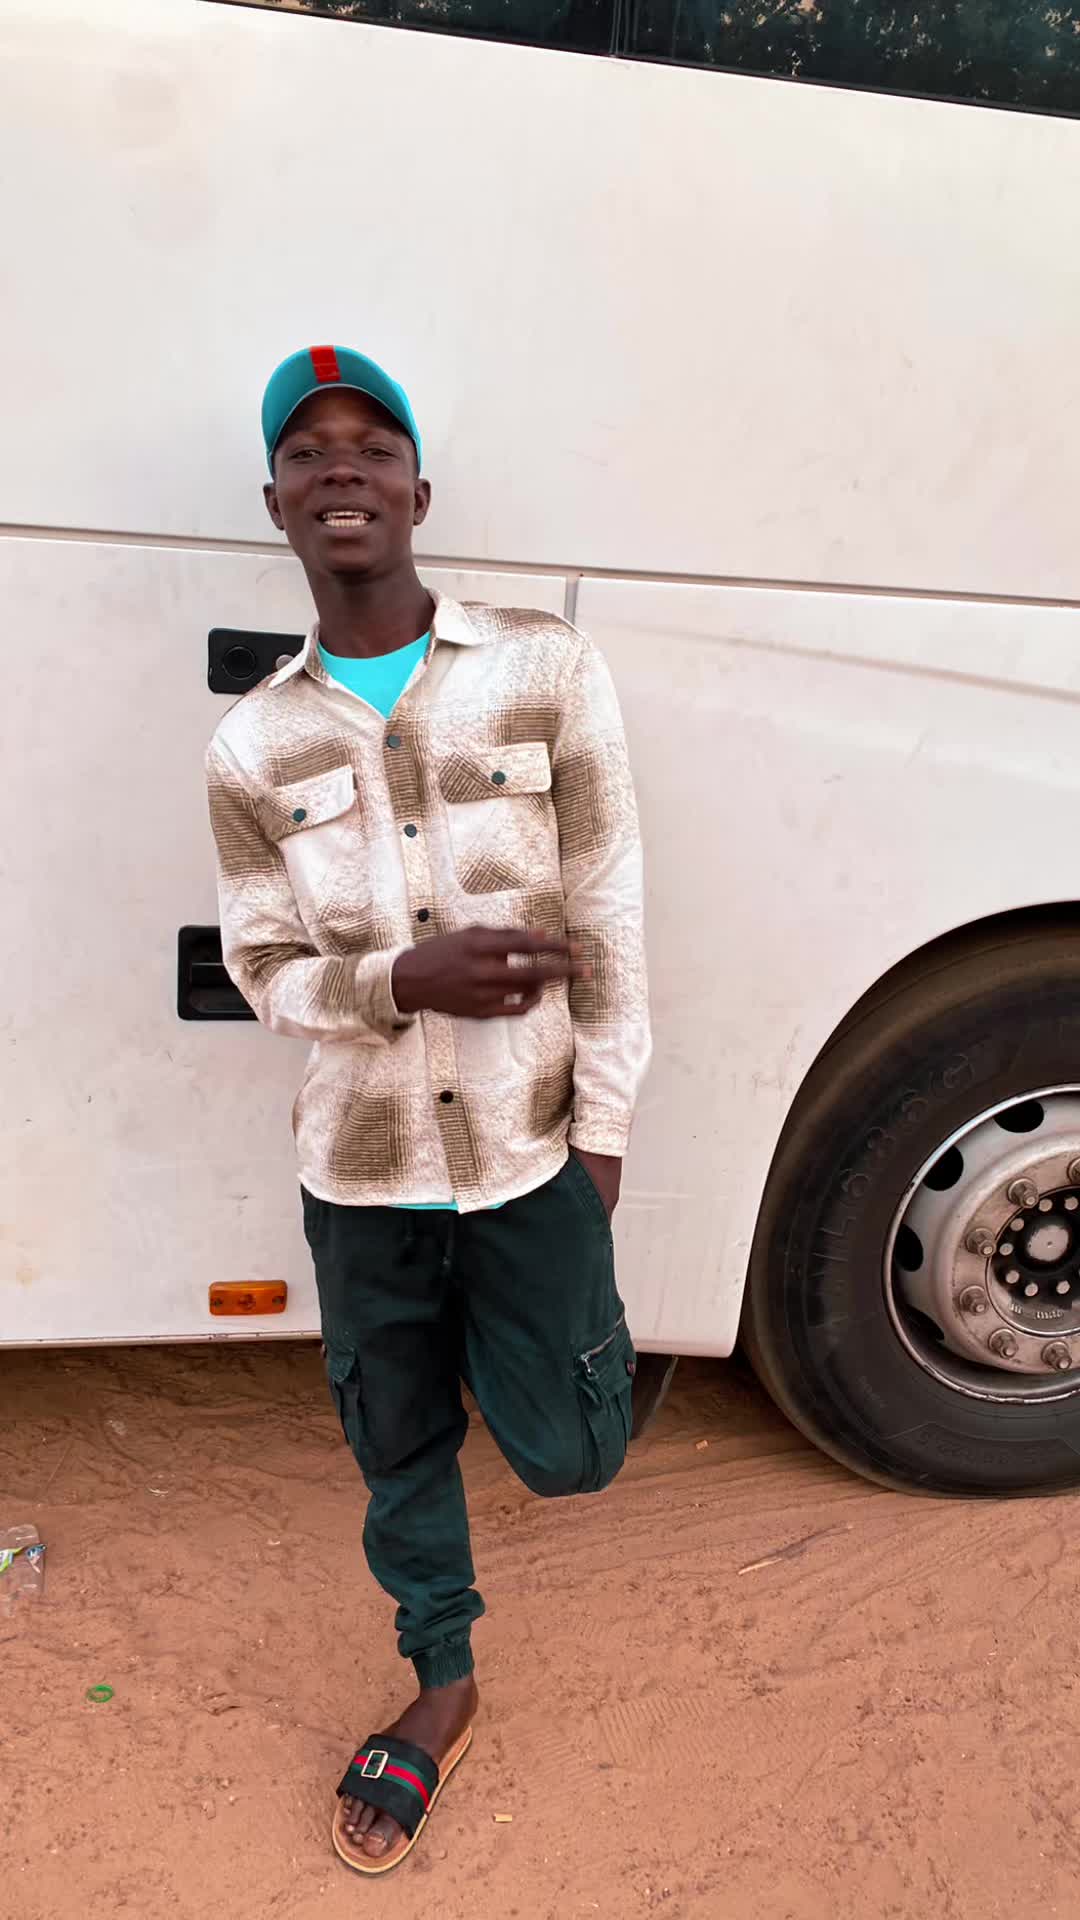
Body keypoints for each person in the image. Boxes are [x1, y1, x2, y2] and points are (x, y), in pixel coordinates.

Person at [206, 345, 651, 1875]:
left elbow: (608, 908)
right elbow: (263, 968)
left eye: (372, 444)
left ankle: (511, 1362)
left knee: (573, 1453)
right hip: (365, 1174)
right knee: (398, 1449)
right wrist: (401, 977)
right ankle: (442, 1678)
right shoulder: (253, 745)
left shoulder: (547, 670)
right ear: (277, 504)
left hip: (530, 1153)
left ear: (419, 492)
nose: (341, 465)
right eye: (308, 451)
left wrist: (603, 1133)